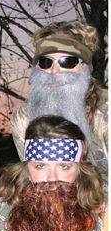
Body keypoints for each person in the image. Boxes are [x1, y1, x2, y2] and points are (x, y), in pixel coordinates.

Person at [11, 20, 108, 186]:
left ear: (87, 68)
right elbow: (33, 178)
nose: (54, 72)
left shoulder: (105, 111)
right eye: (46, 62)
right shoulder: (24, 118)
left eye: (67, 62)